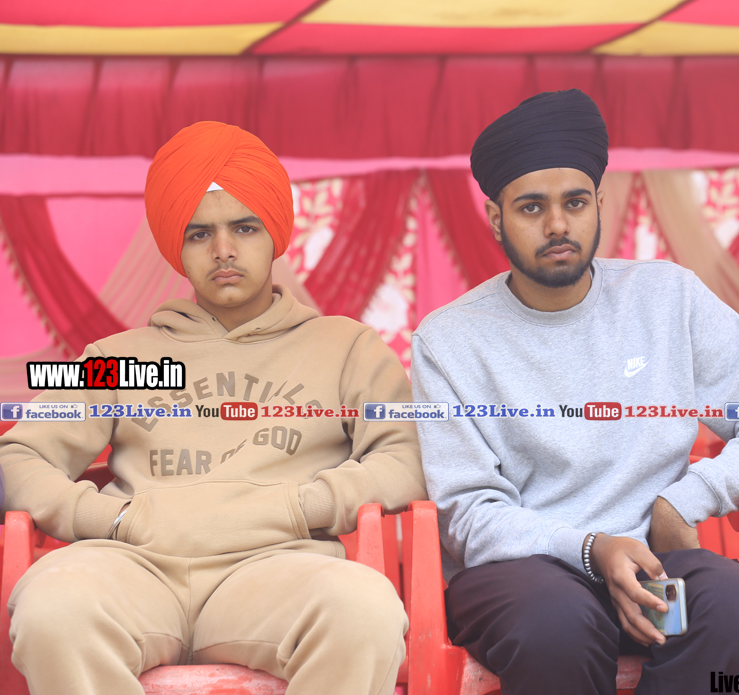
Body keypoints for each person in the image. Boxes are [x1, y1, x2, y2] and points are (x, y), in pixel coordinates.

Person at [410, 90, 739, 695]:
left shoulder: (667, 299)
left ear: (599, 204)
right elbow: (467, 513)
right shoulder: (449, 340)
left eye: (574, 202)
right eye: (531, 207)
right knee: (558, 625)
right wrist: (591, 548)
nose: (557, 225)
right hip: (521, 578)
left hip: (652, 575)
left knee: (733, 609)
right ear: (495, 218)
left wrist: (682, 502)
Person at [0, 121, 425, 695]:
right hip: (134, 567)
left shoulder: (346, 347)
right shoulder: (117, 356)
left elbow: (404, 457)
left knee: (364, 611)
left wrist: (305, 506)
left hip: (278, 568)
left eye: (244, 227)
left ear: (275, 234)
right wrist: (112, 520)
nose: (223, 250)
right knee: (53, 611)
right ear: (176, 247)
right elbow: (20, 455)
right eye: (199, 233)